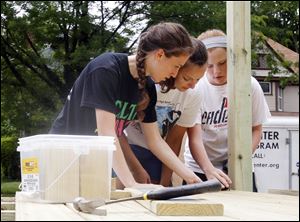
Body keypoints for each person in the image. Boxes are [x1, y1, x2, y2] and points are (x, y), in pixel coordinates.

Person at [49, 22, 201, 189]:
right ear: (159, 55)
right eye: (176, 66)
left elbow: (155, 141)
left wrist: (189, 176)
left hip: (93, 161)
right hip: (61, 157)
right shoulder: (106, 70)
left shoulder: (148, 87)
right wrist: (131, 183)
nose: (175, 73)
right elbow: (107, 134)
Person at [183, 29, 271, 190]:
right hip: (200, 168)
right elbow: (194, 137)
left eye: (222, 63)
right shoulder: (195, 89)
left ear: (231, 58)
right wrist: (208, 169)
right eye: (209, 66)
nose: (217, 71)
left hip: (239, 167)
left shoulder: (249, 85)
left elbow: (256, 129)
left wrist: (239, 160)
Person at [118, 38, 209, 187]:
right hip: (126, 150)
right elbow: (116, 131)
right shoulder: (146, 84)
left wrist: (165, 182)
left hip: (160, 155)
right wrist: (136, 169)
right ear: (175, 68)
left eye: (198, 80)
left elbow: (173, 141)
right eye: (187, 78)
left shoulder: (194, 93)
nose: (193, 85)